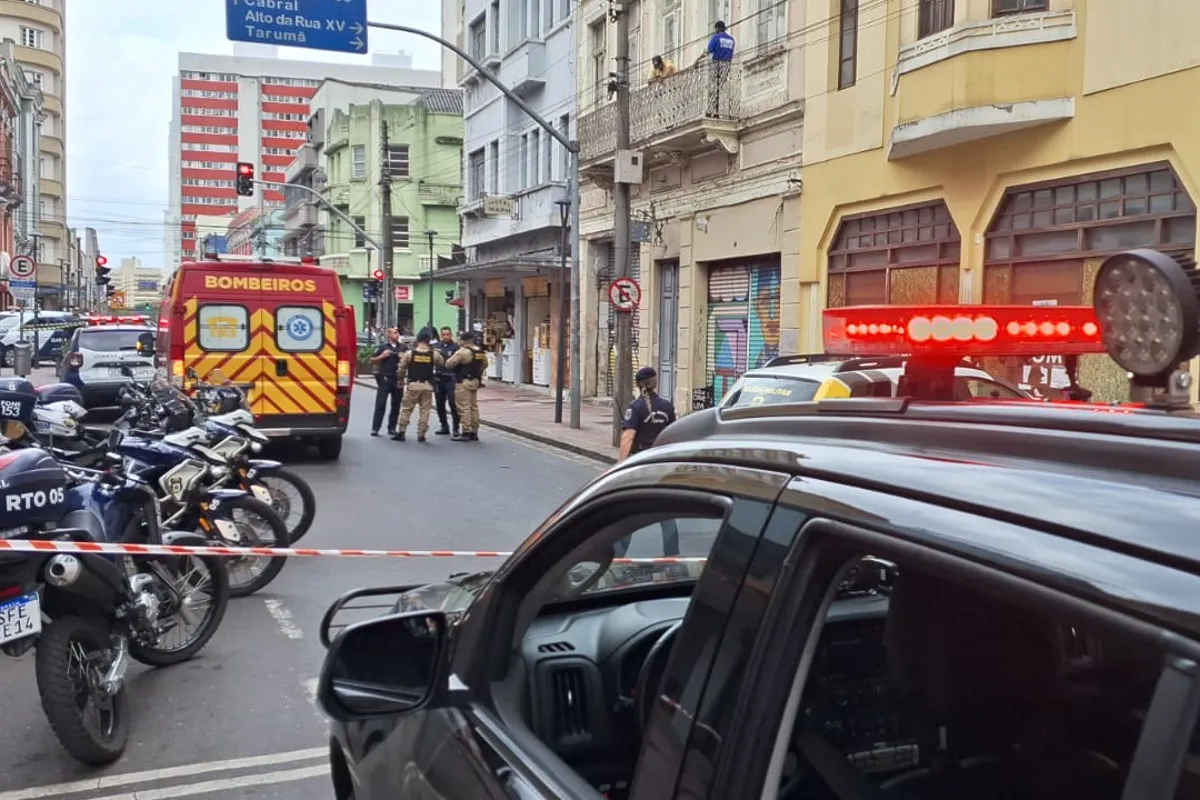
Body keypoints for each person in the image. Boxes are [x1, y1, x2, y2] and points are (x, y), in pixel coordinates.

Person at [618, 367, 679, 556]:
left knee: (628, 514)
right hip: (661, 464)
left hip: (641, 465)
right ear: (655, 382)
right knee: (667, 515)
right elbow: (672, 435)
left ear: (638, 385)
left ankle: (617, 555)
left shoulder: (635, 408)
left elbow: (628, 438)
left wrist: (621, 467)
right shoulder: (667, 406)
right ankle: (672, 556)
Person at [393, 329, 445, 442]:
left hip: (413, 385)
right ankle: (421, 434)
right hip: (427, 386)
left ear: (418, 340)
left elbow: (401, 369)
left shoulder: (410, 354)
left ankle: (401, 431)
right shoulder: (434, 354)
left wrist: (400, 379)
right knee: (425, 410)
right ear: (428, 341)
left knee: (406, 409)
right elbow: (441, 362)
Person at [444, 331, 489, 442]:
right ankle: (474, 431)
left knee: (464, 407)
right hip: (475, 381)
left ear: (463, 341)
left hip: (463, 382)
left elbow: (449, 364)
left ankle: (465, 431)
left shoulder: (463, 352)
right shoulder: (481, 352)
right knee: (474, 406)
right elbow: (485, 364)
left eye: (460, 340)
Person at [369, 328, 404, 437]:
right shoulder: (383, 347)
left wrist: (403, 357)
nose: (397, 335)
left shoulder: (403, 348)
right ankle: (375, 428)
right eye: (394, 333)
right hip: (385, 379)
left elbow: (410, 361)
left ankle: (392, 428)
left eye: (398, 333)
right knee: (380, 404)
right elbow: (372, 360)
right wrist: (382, 356)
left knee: (396, 405)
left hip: (398, 379)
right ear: (389, 335)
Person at [698, 20, 735, 116]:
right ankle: (719, 110)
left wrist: (697, 61)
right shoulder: (731, 40)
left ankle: (712, 110)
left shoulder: (716, 37)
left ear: (717, 28)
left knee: (713, 88)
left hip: (716, 65)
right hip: (727, 66)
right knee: (721, 87)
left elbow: (708, 51)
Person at [432, 326, 460, 437]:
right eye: (443, 335)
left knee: (453, 403)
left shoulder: (456, 347)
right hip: (439, 379)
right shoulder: (436, 347)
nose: (445, 337)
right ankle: (444, 426)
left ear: (451, 335)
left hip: (451, 379)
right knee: (439, 404)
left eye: (447, 334)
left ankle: (456, 427)